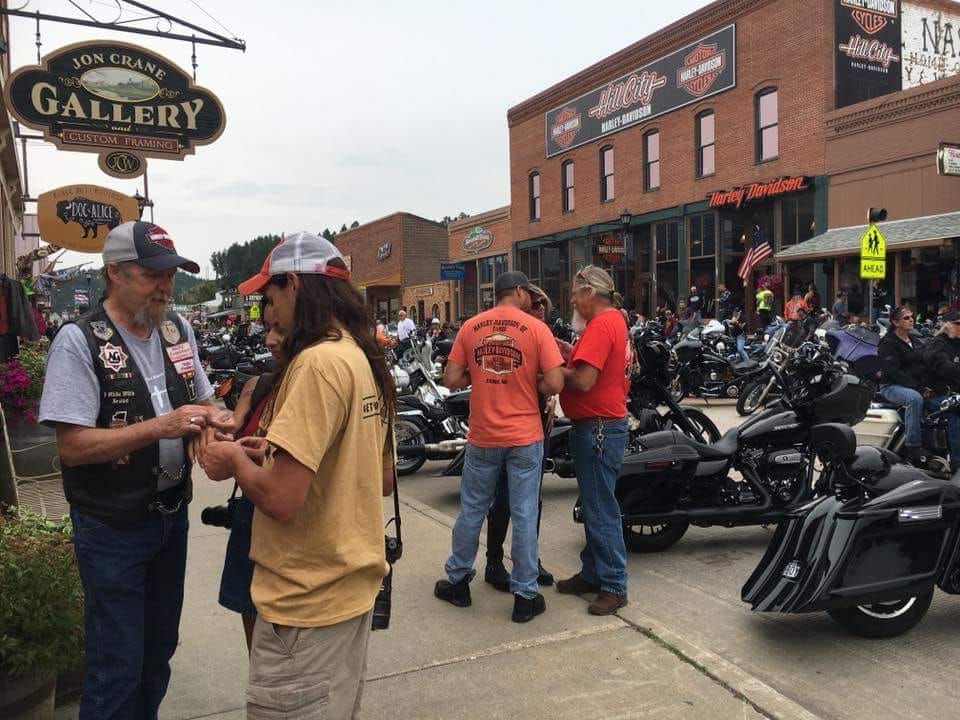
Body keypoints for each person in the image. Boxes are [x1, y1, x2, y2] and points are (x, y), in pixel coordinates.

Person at [196, 232, 396, 719]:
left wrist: (236, 462)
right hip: (348, 596)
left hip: (306, 607)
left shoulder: (315, 364)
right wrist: (274, 452)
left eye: (269, 296)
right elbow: (379, 476)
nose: (265, 313)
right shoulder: (358, 355)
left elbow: (283, 500)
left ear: (296, 287)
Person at [38, 221, 232, 720]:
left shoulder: (178, 329)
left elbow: (206, 403)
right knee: (115, 665)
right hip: (112, 525)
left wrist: (214, 425)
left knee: (158, 653)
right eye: (153, 275)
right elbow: (73, 447)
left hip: (171, 516)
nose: (166, 287)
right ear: (114, 273)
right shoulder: (78, 341)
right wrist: (161, 426)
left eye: (170, 275)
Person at [435, 271, 564, 623]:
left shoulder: (472, 326)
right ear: (520, 291)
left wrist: (482, 375)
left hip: (484, 436)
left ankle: (458, 582)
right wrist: (527, 377)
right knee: (524, 513)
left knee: (472, 511)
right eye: (530, 296)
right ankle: (525, 595)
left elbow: (450, 378)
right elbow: (555, 382)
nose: (533, 302)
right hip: (524, 436)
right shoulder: (538, 330)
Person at [555, 266, 630, 615]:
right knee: (595, 504)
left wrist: (552, 372)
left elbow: (584, 381)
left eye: (574, 292)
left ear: (589, 292)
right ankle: (593, 572)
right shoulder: (612, 320)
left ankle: (614, 584)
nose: (571, 299)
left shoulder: (600, 326)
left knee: (600, 507)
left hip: (597, 428)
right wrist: (570, 350)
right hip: (603, 425)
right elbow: (596, 367)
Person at [216, 298, 284, 652]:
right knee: (249, 607)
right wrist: (220, 438)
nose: (271, 339)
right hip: (252, 508)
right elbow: (230, 427)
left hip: (290, 516)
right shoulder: (257, 385)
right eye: (268, 329)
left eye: (281, 330)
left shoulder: (318, 382)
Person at [485, 284, 557, 592]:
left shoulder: (543, 334)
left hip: (536, 422)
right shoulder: (510, 331)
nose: (539, 307)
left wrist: (550, 398)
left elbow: (550, 377)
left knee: (531, 502)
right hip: (506, 425)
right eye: (534, 302)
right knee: (503, 498)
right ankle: (493, 561)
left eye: (543, 303)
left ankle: (529, 560)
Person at [879, 306, 931, 467]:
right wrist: (919, 388)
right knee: (914, 399)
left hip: (914, 385)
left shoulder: (915, 341)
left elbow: (924, 364)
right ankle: (913, 447)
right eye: (906, 318)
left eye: (911, 317)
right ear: (895, 322)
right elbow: (894, 372)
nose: (911, 320)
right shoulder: (887, 343)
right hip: (891, 386)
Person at [922, 312, 960, 471]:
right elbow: (947, 370)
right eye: (958, 324)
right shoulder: (937, 345)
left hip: (952, 392)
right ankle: (957, 460)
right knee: (956, 410)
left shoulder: (956, 343)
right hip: (937, 395)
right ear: (947, 325)